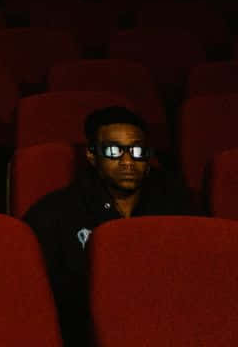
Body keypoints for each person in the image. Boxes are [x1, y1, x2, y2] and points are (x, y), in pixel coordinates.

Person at [25, 106, 199, 343]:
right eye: (113, 151)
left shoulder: (180, 207)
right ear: (92, 155)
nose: (128, 161)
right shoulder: (53, 213)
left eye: (137, 151)